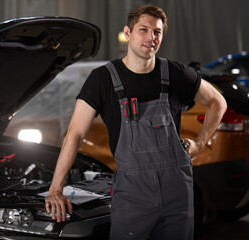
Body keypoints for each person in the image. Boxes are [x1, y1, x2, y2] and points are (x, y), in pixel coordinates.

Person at [45, 4, 227, 240]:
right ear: (128, 33)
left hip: (177, 196)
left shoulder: (174, 73)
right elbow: (75, 134)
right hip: (133, 197)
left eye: (157, 32)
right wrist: (55, 189)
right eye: (144, 29)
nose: (151, 37)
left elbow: (218, 102)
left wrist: (200, 144)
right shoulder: (103, 79)